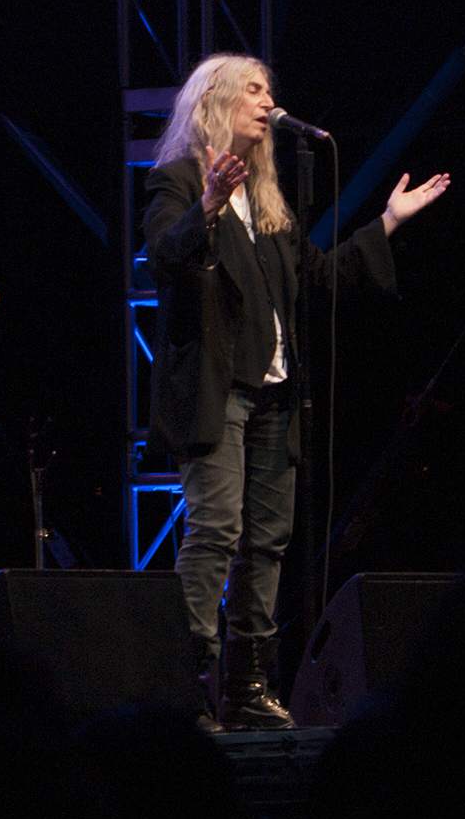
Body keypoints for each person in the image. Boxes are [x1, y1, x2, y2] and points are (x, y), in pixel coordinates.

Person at [143, 53, 449, 730]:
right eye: (253, 90)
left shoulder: (268, 200)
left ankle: (247, 686)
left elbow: (319, 277)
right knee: (215, 529)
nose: (267, 101)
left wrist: (387, 223)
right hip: (216, 390)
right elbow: (163, 257)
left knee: (268, 540)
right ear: (215, 100)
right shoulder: (177, 180)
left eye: (268, 91)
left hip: (276, 394)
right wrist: (207, 205)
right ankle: (186, 680)